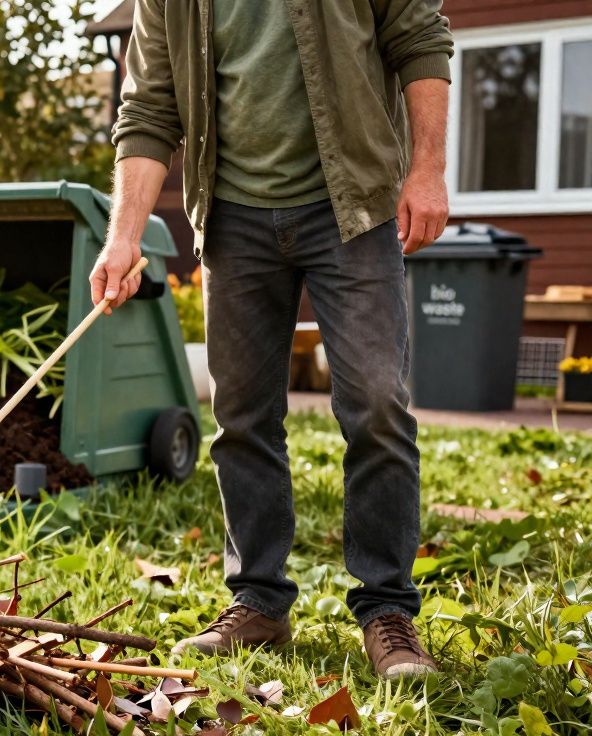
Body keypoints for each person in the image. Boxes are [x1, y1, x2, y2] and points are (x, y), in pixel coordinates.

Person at [90, 0, 452, 678]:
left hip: (353, 205)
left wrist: (426, 168)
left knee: (376, 403)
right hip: (233, 217)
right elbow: (148, 107)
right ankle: (257, 601)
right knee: (242, 416)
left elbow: (420, 38)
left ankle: (387, 612)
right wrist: (123, 236)